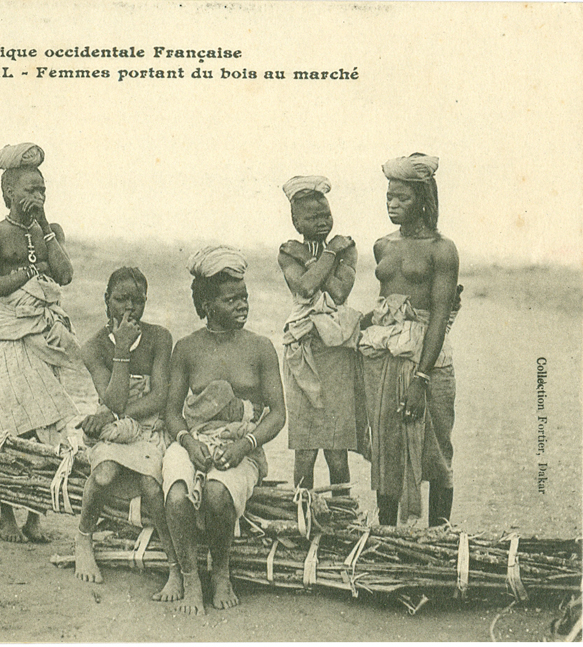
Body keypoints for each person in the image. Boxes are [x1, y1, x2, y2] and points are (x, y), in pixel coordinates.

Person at [163, 245, 286, 615]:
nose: (242, 305)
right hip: (192, 441)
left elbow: (278, 414)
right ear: (206, 305)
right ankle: (189, 577)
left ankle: (221, 573)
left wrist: (245, 445)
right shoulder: (186, 349)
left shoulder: (261, 348)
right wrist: (186, 442)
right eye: (231, 299)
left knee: (217, 494)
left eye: (244, 297)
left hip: (241, 446)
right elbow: (172, 413)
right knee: (177, 496)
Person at [0, 142, 77, 543]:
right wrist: (28, 274)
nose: (37, 197)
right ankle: (5, 514)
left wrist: (46, 225)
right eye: (30, 190)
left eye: (42, 191)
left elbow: (65, 275)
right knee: (10, 425)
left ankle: (36, 516)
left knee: (47, 426)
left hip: (42, 334)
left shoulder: (49, 233)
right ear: (8, 194)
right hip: (6, 336)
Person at [360, 153, 460, 527]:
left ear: (422, 198)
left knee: (435, 449)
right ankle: (386, 535)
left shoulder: (442, 249)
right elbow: (385, 306)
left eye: (401, 198)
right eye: (389, 197)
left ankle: (440, 536)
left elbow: (439, 316)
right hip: (385, 354)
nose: (392, 205)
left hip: (428, 357)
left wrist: (422, 377)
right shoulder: (382, 246)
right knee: (387, 445)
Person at [75, 267, 182, 601]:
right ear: (106, 300)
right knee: (104, 473)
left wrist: (112, 413)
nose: (129, 308)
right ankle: (83, 538)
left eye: (138, 301)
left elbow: (160, 398)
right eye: (121, 299)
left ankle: (175, 568)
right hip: (114, 429)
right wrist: (121, 349)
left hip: (149, 428)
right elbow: (114, 398)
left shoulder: (159, 338)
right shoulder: (93, 347)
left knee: (152, 486)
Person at [277, 176, 368, 496]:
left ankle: (342, 515)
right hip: (304, 349)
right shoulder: (289, 252)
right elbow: (304, 288)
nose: (322, 221)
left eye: (326, 214)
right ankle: (304, 512)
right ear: (296, 220)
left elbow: (340, 292)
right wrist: (327, 255)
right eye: (313, 217)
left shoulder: (347, 249)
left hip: (337, 350)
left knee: (336, 447)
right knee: (304, 447)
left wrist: (313, 259)